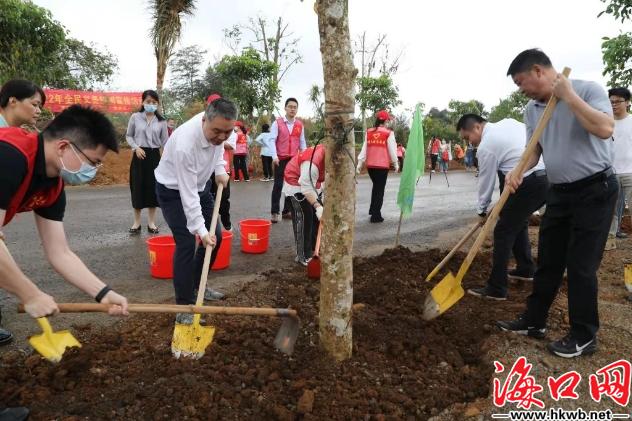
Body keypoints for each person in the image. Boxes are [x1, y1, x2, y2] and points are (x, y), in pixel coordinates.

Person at [497, 49, 616, 358]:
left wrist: (569, 97)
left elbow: (605, 129)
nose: (520, 90)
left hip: (595, 190)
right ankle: (533, 320)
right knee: (549, 261)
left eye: (521, 82)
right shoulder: (531, 109)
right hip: (559, 193)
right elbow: (534, 150)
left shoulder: (587, 90)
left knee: (581, 266)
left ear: (538, 71)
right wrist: (517, 170)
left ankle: (584, 335)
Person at [0, 105, 129, 321]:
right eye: (93, 162)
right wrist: (30, 294)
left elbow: (60, 252)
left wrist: (103, 293)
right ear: (63, 147)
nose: (93, 171)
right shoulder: (9, 156)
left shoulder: (53, 186)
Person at [154, 98, 236, 321]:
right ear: (204, 120)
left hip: (201, 186)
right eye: (217, 131)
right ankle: (184, 306)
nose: (222, 136)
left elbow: (218, 149)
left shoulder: (219, 129)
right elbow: (187, 195)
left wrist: (220, 169)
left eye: (227, 132)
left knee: (216, 236)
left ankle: (199, 285)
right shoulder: (185, 144)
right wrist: (200, 230)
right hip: (172, 190)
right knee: (188, 242)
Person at [457, 114, 548, 300]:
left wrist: (482, 211)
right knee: (516, 222)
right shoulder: (508, 123)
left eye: (467, 137)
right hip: (546, 178)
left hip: (528, 181)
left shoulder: (486, 146)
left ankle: (496, 288)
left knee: (503, 231)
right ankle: (525, 268)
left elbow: (486, 181)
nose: (469, 143)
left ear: (477, 127)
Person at [0, 79, 47, 347]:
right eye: (35, 104)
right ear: (12, 101)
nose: (38, 110)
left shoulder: (16, 135)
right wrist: (30, 294)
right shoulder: (7, 145)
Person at [125, 90, 168, 234]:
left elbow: (165, 142)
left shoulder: (162, 121)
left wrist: (167, 159)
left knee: (153, 189)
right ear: (143, 102)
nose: (151, 104)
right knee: (137, 188)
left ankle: (151, 223)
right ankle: (136, 223)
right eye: (148, 101)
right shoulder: (135, 117)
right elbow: (129, 136)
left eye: (154, 102)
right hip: (139, 156)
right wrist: (136, 148)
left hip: (154, 157)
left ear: (158, 104)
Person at [283, 144, 325, 266]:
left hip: (313, 184)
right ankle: (303, 255)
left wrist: (322, 201)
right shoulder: (312, 161)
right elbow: (305, 186)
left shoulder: (335, 157)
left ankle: (314, 249)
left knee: (316, 219)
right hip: (295, 183)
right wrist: (318, 206)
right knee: (305, 217)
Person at [356, 110, 399, 223]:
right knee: (379, 190)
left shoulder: (369, 132)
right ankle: (376, 215)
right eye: (388, 120)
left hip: (370, 166)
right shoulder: (388, 133)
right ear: (386, 121)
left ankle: (373, 210)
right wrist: (396, 163)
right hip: (382, 166)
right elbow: (392, 150)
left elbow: (364, 148)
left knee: (376, 188)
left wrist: (359, 163)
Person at [269, 98, 307, 223]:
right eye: (290, 106)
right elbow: (272, 140)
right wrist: (274, 156)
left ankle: (287, 210)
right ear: (285, 108)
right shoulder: (277, 123)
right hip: (280, 159)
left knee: (291, 186)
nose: (292, 109)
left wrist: (304, 158)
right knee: (278, 185)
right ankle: (275, 212)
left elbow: (302, 143)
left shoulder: (299, 125)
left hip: (294, 160)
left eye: (295, 107)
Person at [605, 87, 632, 251]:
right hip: (611, 172)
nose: (614, 105)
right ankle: (609, 240)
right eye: (611, 102)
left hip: (630, 172)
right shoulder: (606, 123)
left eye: (618, 101)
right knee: (611, 209)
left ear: (627, 103)